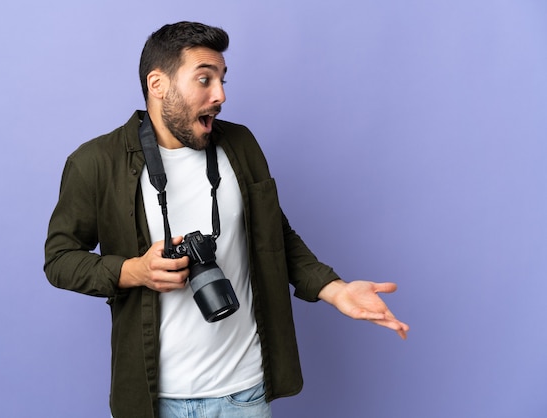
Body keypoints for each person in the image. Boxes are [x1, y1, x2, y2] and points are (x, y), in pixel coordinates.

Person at [44, 21, 409, 418]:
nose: (220, 95)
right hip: (153, 400)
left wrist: (334, 288)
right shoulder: (96, 162)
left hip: (245, 393)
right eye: (204, 79)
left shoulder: (241, 145)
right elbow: (60, 259)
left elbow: (275, 236)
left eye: (222, 79)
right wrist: (133, 270)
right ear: (157, 84)